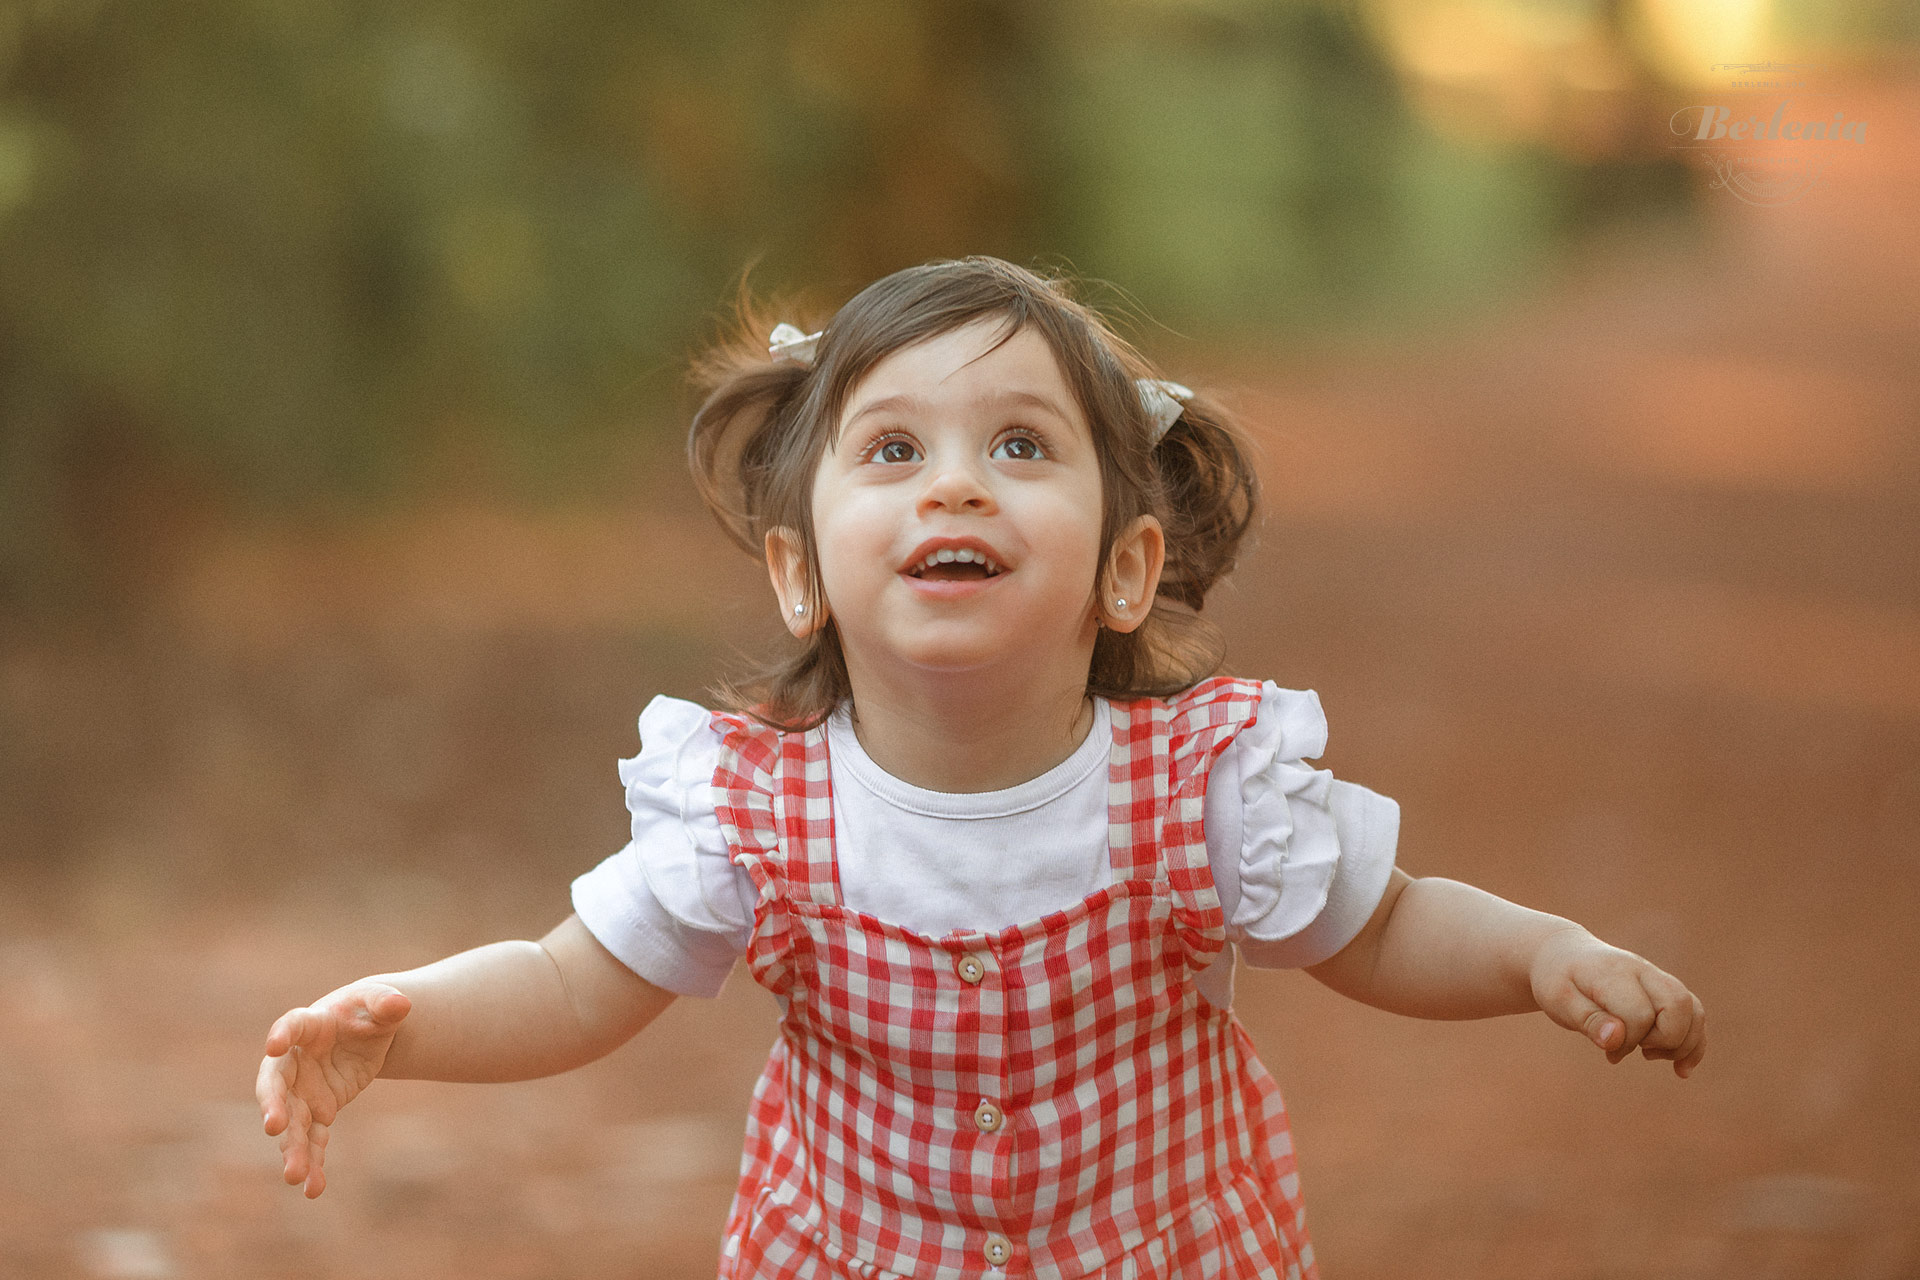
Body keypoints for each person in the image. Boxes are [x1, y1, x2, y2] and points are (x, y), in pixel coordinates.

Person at [257, 256, 1706, 1278]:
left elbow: (1378, 923)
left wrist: (1536, 954)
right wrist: (405, 1026)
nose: (954, 482)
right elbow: (575, 978)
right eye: (890, 452)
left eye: (1019, 445)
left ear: (1128, 568)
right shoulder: (756, 815)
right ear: (799, 571)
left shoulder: (1201, 791)